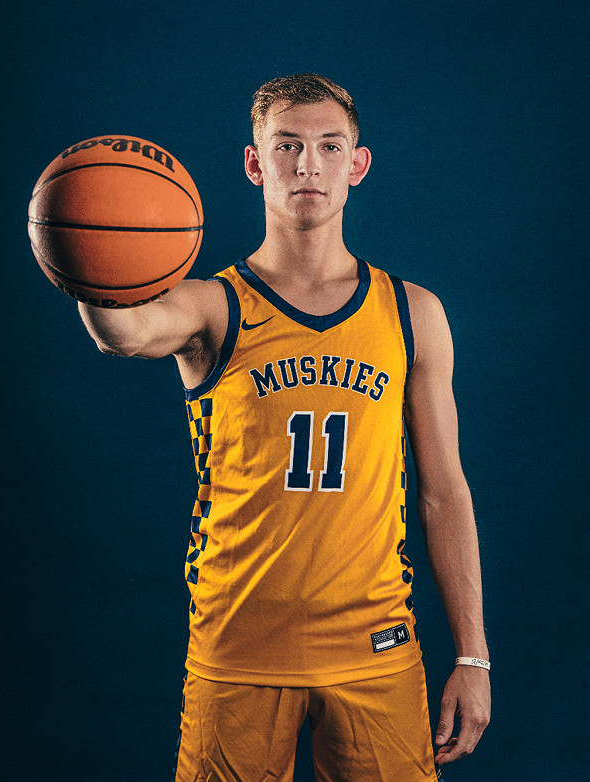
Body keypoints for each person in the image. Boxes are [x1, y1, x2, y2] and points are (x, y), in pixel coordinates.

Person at [78, 74, 490, 781]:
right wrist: (84, 248)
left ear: (356, 166)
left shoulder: (411, 313)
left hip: (376, 648)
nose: (308, 165)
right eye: (287, 146)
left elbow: (444, 492)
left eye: (329, 147)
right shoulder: (213, 307)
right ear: (254, 163)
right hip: (238, 649)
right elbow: (125, 331)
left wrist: (472, 655)